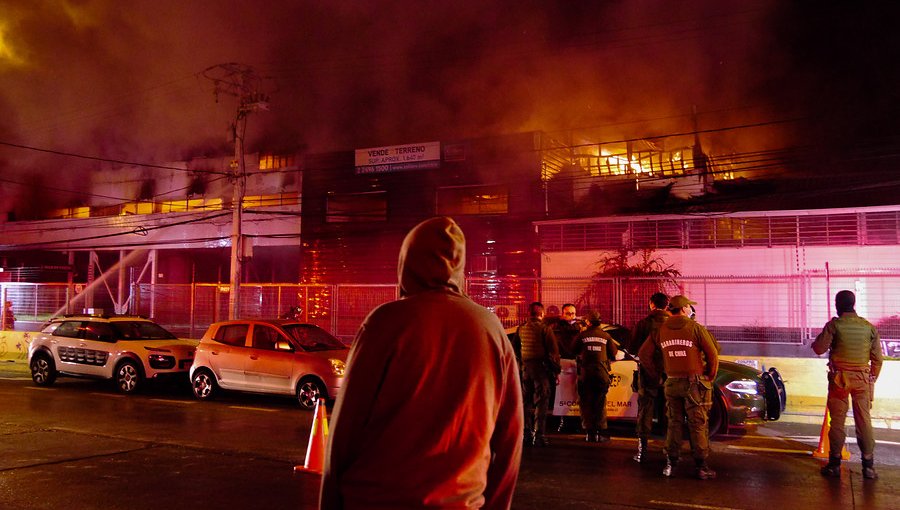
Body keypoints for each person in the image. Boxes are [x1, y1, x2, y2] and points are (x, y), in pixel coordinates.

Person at [320, 217, 523, 509]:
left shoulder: (385, 323)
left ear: (406, 264)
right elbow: (510, 437)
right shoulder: (491, 329)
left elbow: (345, 429)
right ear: (459, 268)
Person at [639, 294, 719, 480]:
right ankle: (701, 466)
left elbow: (644, 355)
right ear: (683, 309)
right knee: (697, 424)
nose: (690, 310)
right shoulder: (695, 328)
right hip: (694, 384)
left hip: (672, 382)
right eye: (689, 307)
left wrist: (657, 375)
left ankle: (670, 464)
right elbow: (713, 354)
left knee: (674, 423)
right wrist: (709, 376)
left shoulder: (660, 330)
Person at [812, 290, 883, 479]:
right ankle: (868, 467)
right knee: (864, 420)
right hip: (862, 380)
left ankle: (834, 465)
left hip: (839, 380)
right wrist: (871, 378)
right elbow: (877, 359)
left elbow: (819, 348)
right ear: (853, 304)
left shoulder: (834, 325)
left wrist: (825, 334)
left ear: (837, 304)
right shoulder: (868, 327)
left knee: (837, 421)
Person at [629, 292, 670, 462]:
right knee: (671, 410)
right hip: (670, 373)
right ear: (666, 306)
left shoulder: (643, 324)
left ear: (651, 304)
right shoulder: (672, 324)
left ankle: (642, 450)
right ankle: (670, 449)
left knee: (645, 409)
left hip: (647, 372)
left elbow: (632, 348)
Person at [570, 310, 617, 442]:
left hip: (585, 374)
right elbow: (614, 353)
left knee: (586, 402)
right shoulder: (606, 336)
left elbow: (572, 349)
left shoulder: (582, 335)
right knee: (600, 402)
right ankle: (599, 431)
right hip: (601, 374)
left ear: (588, 322)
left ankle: (589, 433)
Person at [518, 301, 560, 447]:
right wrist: (556, 371)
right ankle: (539, 435)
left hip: (525, 370)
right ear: (541, 314)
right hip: (540, 370)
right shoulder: (545, 329)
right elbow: (553, 353)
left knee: (525, 402)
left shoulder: (521, 328)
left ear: (529, 313)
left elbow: (515, 349)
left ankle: (525, 433)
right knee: (541, 402)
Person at [548, 303, 583, 432]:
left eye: (573, 313)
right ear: (563, 314)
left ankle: (575, 422)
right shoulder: (557, 328)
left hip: (576, 363)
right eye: (568, 313)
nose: (572, 316)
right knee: (563, 396)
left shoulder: (579, 328)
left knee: (575, 394)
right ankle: (563, 422)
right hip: (563, 364)